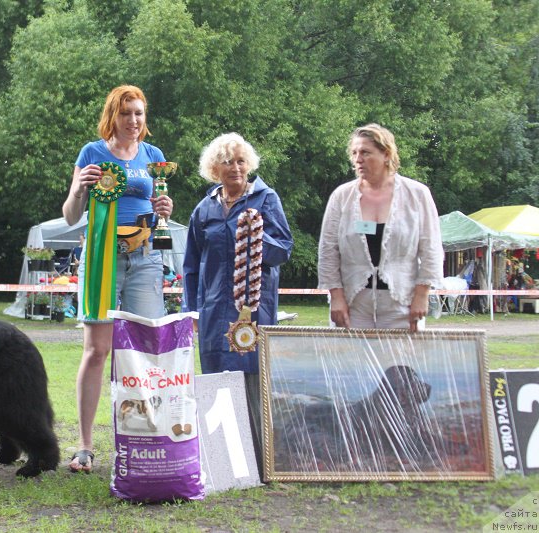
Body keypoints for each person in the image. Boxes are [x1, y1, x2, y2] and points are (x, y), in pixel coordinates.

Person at [62, 85, 173, 473]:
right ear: (114, 114)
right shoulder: (92, 153)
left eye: (140, 114)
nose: (134, 121)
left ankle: (145, 437)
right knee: (97, 351)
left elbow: (158, 212)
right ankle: (85, 446)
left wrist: (165, 208)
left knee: (147, 352)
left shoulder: (153, 157)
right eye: (127, 113)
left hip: (145, 258)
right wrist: (78, 188)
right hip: (102, 259)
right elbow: (71, 216)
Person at [182, 132, 293, 463]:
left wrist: (257, 236)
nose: (235, 167)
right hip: (214, 310)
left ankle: (260, 458)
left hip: (253, 309)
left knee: (252, 377)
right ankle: (221, 458)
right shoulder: (204, 210)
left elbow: (284, 250)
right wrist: (191, 311)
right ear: (215, 168)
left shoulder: (266, 199)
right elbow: (190, 266)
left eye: (241, 160)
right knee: (215, 376)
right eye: (227, 161)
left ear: (250, 165)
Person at [318, 123, 444, 331]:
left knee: (401, 363)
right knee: (352, 362)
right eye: (355, 153)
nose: (358, 159)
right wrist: (336, 297)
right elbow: (328, 250)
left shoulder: (418, 194)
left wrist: (422, 296)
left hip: (403, 304)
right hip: (353, 304)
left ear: (386, 154)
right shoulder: (341, 196)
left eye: (366, 153)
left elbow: (431, 249)